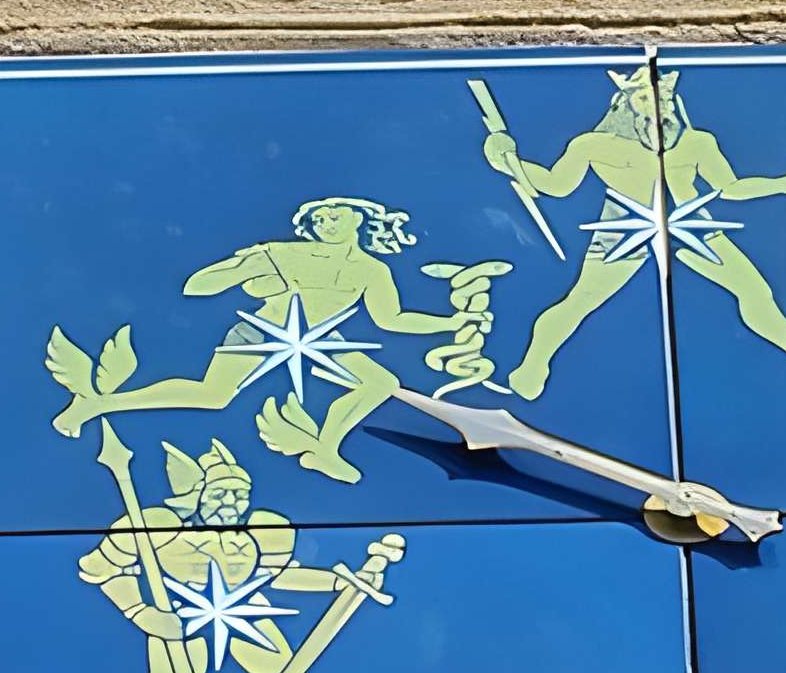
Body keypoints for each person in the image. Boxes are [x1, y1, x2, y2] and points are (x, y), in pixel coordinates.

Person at [480, 69, 786, 397]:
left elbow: (730, 187)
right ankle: (532, 367)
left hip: (689, 227)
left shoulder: (696, 143)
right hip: (622, 231)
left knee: (754, 291)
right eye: (647, 99)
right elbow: (556, 185)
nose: (657, 106)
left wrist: (784, 184)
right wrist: (506, 160)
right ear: (627, 102)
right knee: (580, 301)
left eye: (663, 99)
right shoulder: (594, 145)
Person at [53, 196, 498, 482]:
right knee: (211, 396)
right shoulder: (283, 253)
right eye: (318, 216)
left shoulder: (371, 270)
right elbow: (198, 285)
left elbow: (392, 320)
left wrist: (449, 324)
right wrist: (247, 268)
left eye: (336, 213)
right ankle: (97, 404)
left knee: (379, 383)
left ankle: (324, 448)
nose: (326, 221)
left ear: (360, 218)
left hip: (323, 341)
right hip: (260, 335)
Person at [77, 438, 401, 673]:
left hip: (242, 612)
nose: (231, 502)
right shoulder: (157, 527)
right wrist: (140, 611)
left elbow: (278, 576)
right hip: (178, 619)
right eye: (221, 493)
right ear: (197, 494)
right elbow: (98, 569)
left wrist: (337, 582)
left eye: (239, 494)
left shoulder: (261, 534)